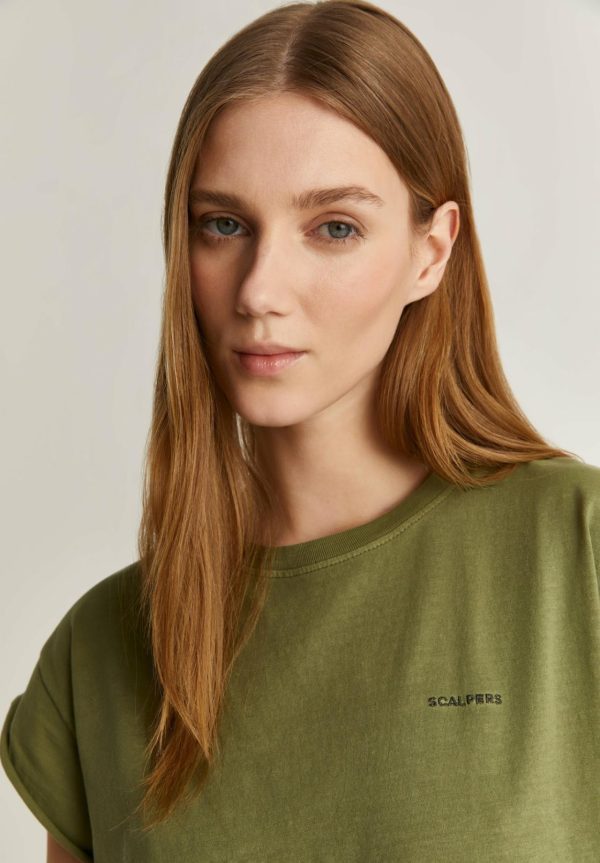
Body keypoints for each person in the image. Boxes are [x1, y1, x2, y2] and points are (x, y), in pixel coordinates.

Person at [2, 1, 599, 860]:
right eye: (224, 224)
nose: (259, 290)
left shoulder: (577, 555)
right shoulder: (98, 653)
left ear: (431, 251)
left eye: (334, 228)